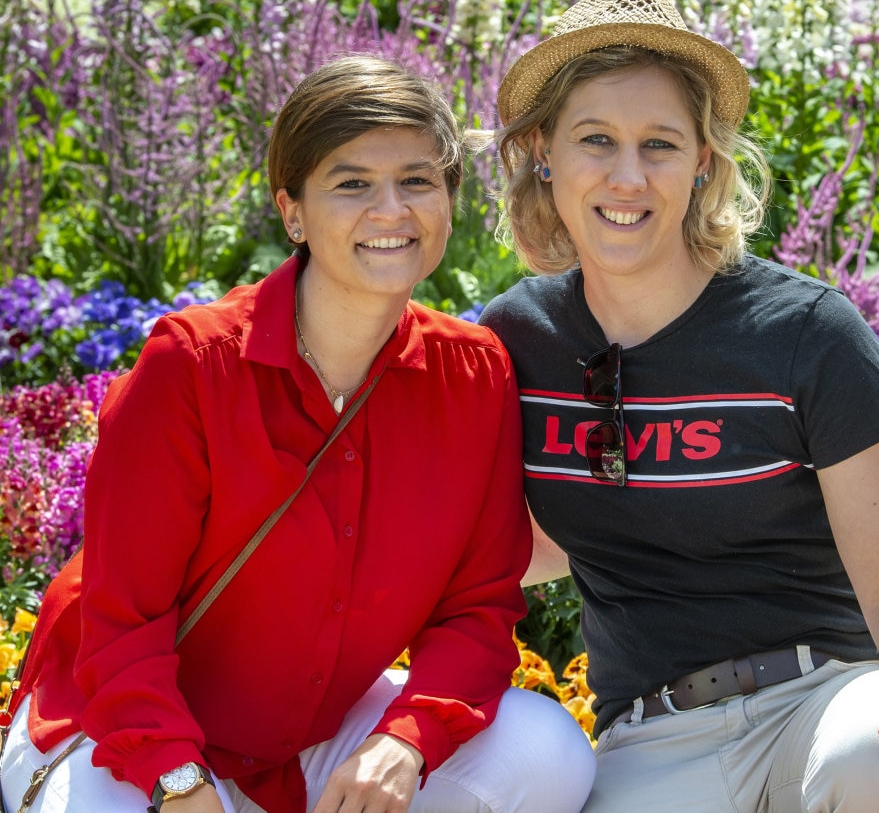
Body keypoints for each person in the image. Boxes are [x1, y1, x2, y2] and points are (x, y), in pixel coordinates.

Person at [0, 57, 596, 813]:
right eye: (351, 184)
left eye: (417, 180)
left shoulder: (472, 377)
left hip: (302, 741)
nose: (391, 210)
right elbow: (120, 628)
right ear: (292, 211)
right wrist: (180, 783)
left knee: (545, 752)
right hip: (116, 728)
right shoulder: (191, 366)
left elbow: (477, 608)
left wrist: (406, 739)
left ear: (448, 199)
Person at [481, 0, 879, 813]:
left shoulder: (807, 333)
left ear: (704, 160)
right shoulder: (517, 341)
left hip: (824, 703)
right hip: (650, 737)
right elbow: (501, 548)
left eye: (661, 144)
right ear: (545, 150)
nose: (627, 177)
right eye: (596, 140)